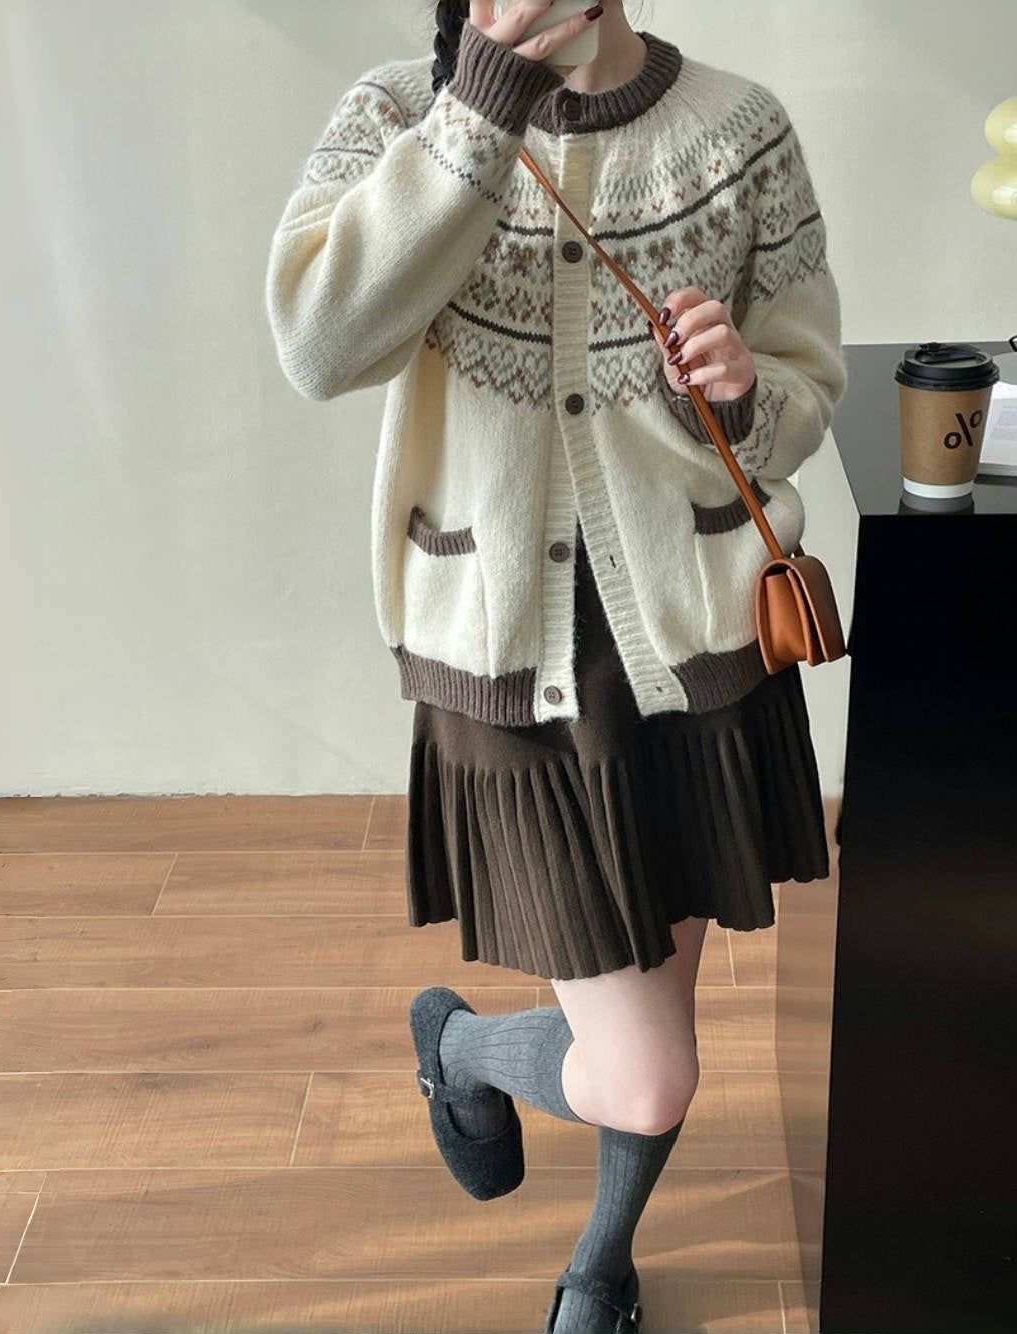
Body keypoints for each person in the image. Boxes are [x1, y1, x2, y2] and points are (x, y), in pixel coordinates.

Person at [264, 2, 846, 1329]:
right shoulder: (398, 116)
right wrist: (480, 107)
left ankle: (599, 1262)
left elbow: (807, 390)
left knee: (653, 1025)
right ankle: (463, 1048)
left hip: (698, 649)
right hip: (509, 656)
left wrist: (745, 393)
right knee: (646, 1071)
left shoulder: (740, 131)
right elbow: (317, 343)